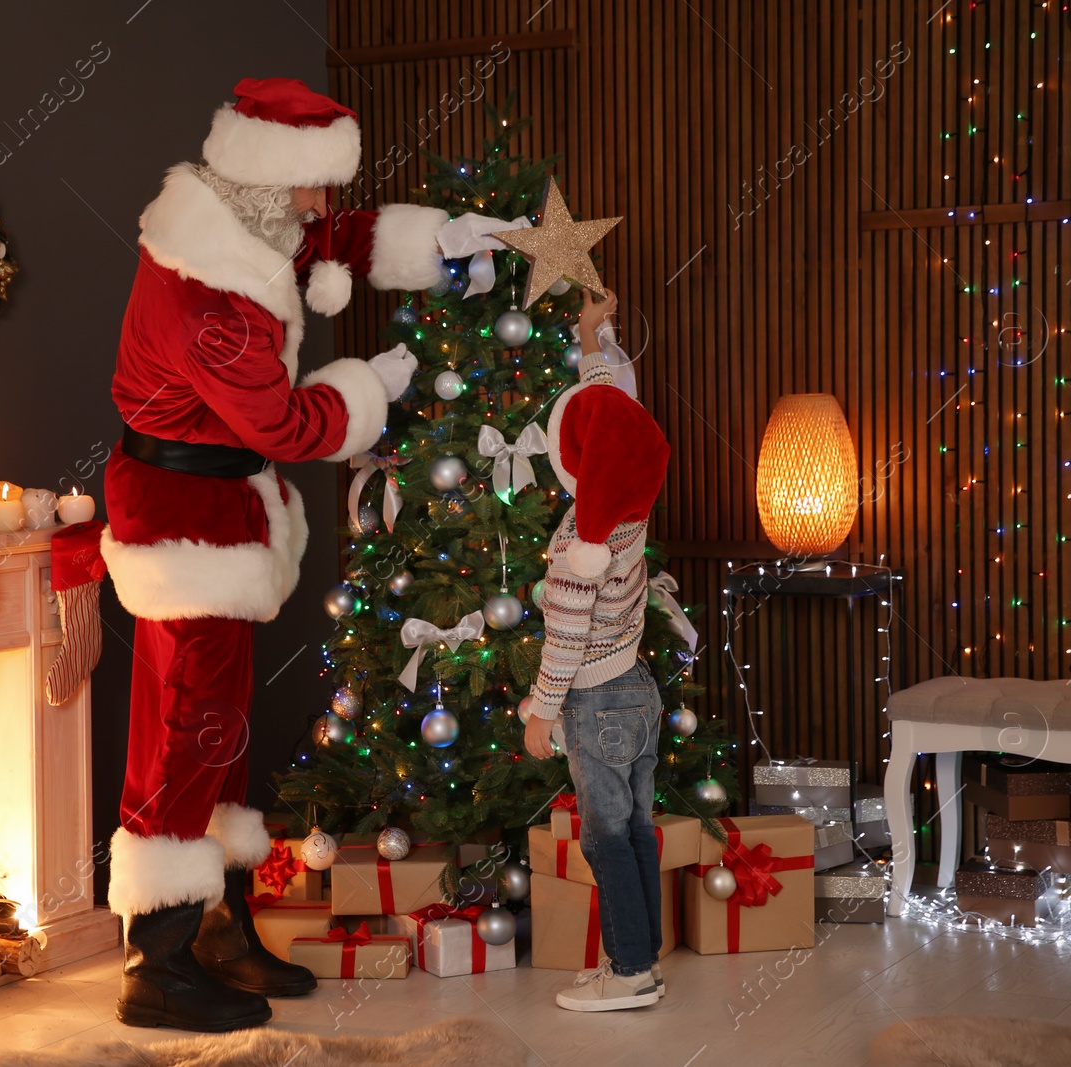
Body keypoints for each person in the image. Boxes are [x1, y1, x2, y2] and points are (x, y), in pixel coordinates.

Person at [100, 77, 512, 1032]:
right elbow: (287, 425)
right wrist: (373, 384)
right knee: (186, 729)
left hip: (216, 508)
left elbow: (331, 238)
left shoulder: (237, 222)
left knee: (220, 725)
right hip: (187, 524)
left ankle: (218, 925)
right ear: (264, 177)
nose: (322, 208)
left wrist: (437, 244)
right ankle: (155, 962)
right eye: (313, 187)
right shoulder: (214, 299)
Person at [518, 289, 673, 1012]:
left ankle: (630, 969)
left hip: (597, 698)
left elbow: (566, 636)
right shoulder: (629, 510)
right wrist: (592, 334)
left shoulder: (578, 546)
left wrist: (540, 712)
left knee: (605, 839)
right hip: (639, 690)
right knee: (637, 828)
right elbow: (609, 411)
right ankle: (643, 958)